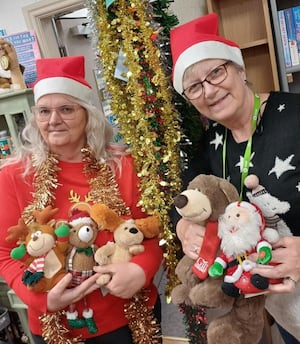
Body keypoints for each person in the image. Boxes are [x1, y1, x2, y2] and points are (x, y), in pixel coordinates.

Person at [0, 55, 163, 344]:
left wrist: (141, 270)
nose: (53, 120)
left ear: (89, 114)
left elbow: (152, 230)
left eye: (66, 109)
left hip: (129, 318)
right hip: (55, 325)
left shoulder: (122, 165)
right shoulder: (14, 176)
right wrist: (43, 299)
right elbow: (3, 253)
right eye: (44, 111)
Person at [170, 12, 300, 343]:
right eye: (195, 86)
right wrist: (183, 227)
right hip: (284, 310)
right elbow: (184, 198)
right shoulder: (211, 145)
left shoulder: (295, 115)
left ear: (240, 69)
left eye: (216, 72)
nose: (209, 90)